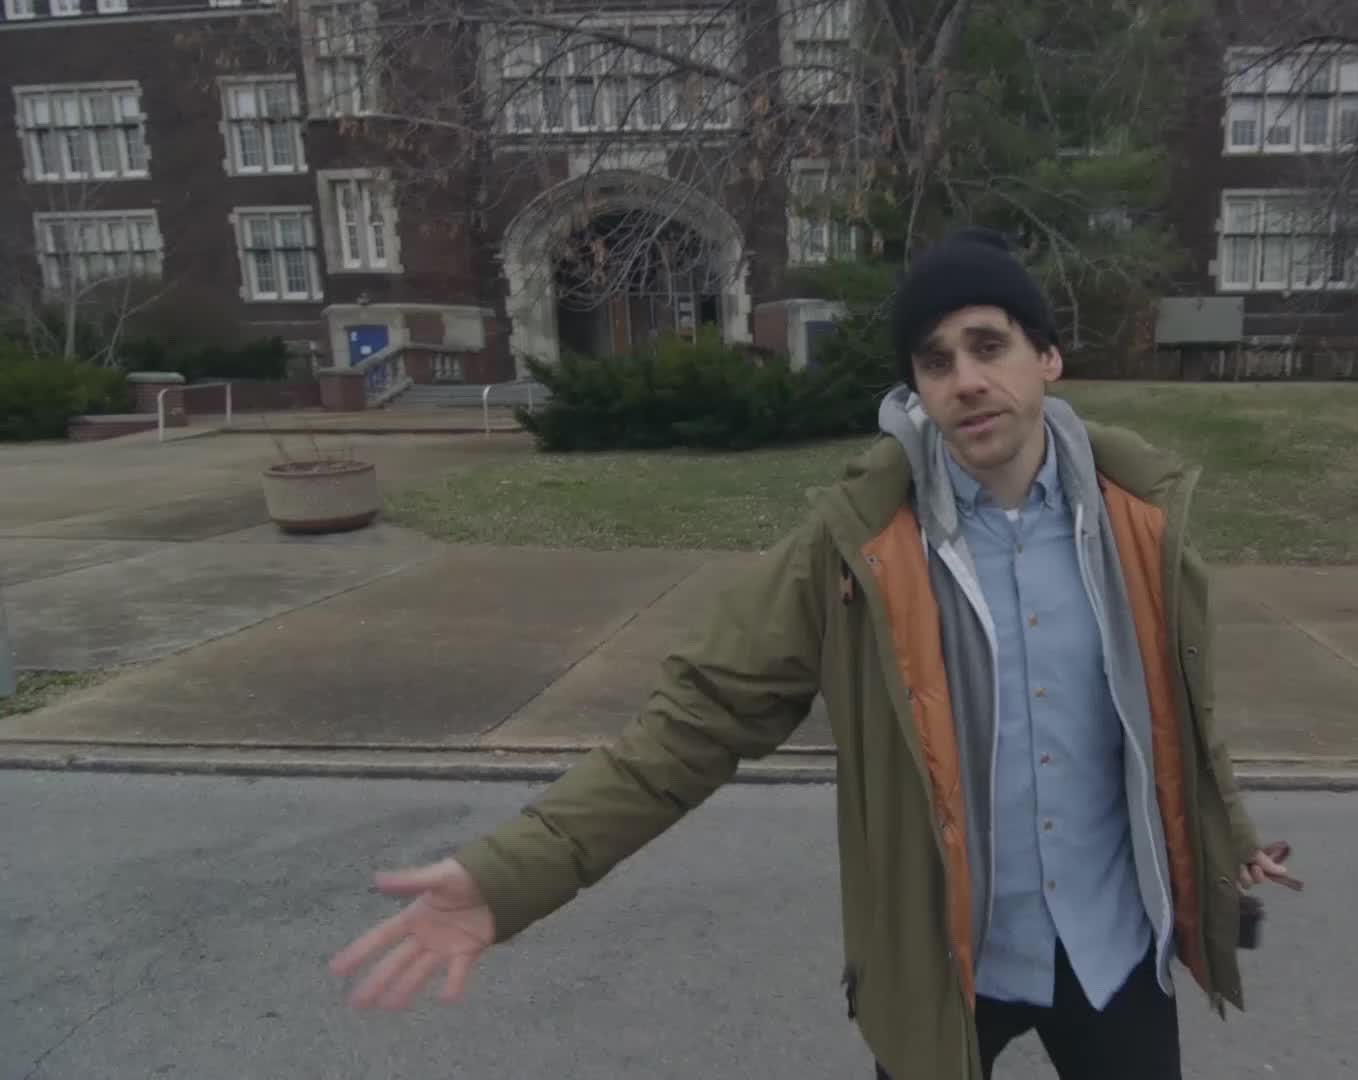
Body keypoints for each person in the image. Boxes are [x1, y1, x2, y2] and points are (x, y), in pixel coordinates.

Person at [329, 227, 1292, 1080]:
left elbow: (1174, 715)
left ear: (1048, 358)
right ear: (915, 388)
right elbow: (694, 725)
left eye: (989, 346)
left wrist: (1229, 837)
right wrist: (512, 875)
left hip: (1115, 949)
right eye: (934, 360)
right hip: (943, 965)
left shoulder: (1143, 526)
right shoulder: (856, 549)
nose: (965, 380)